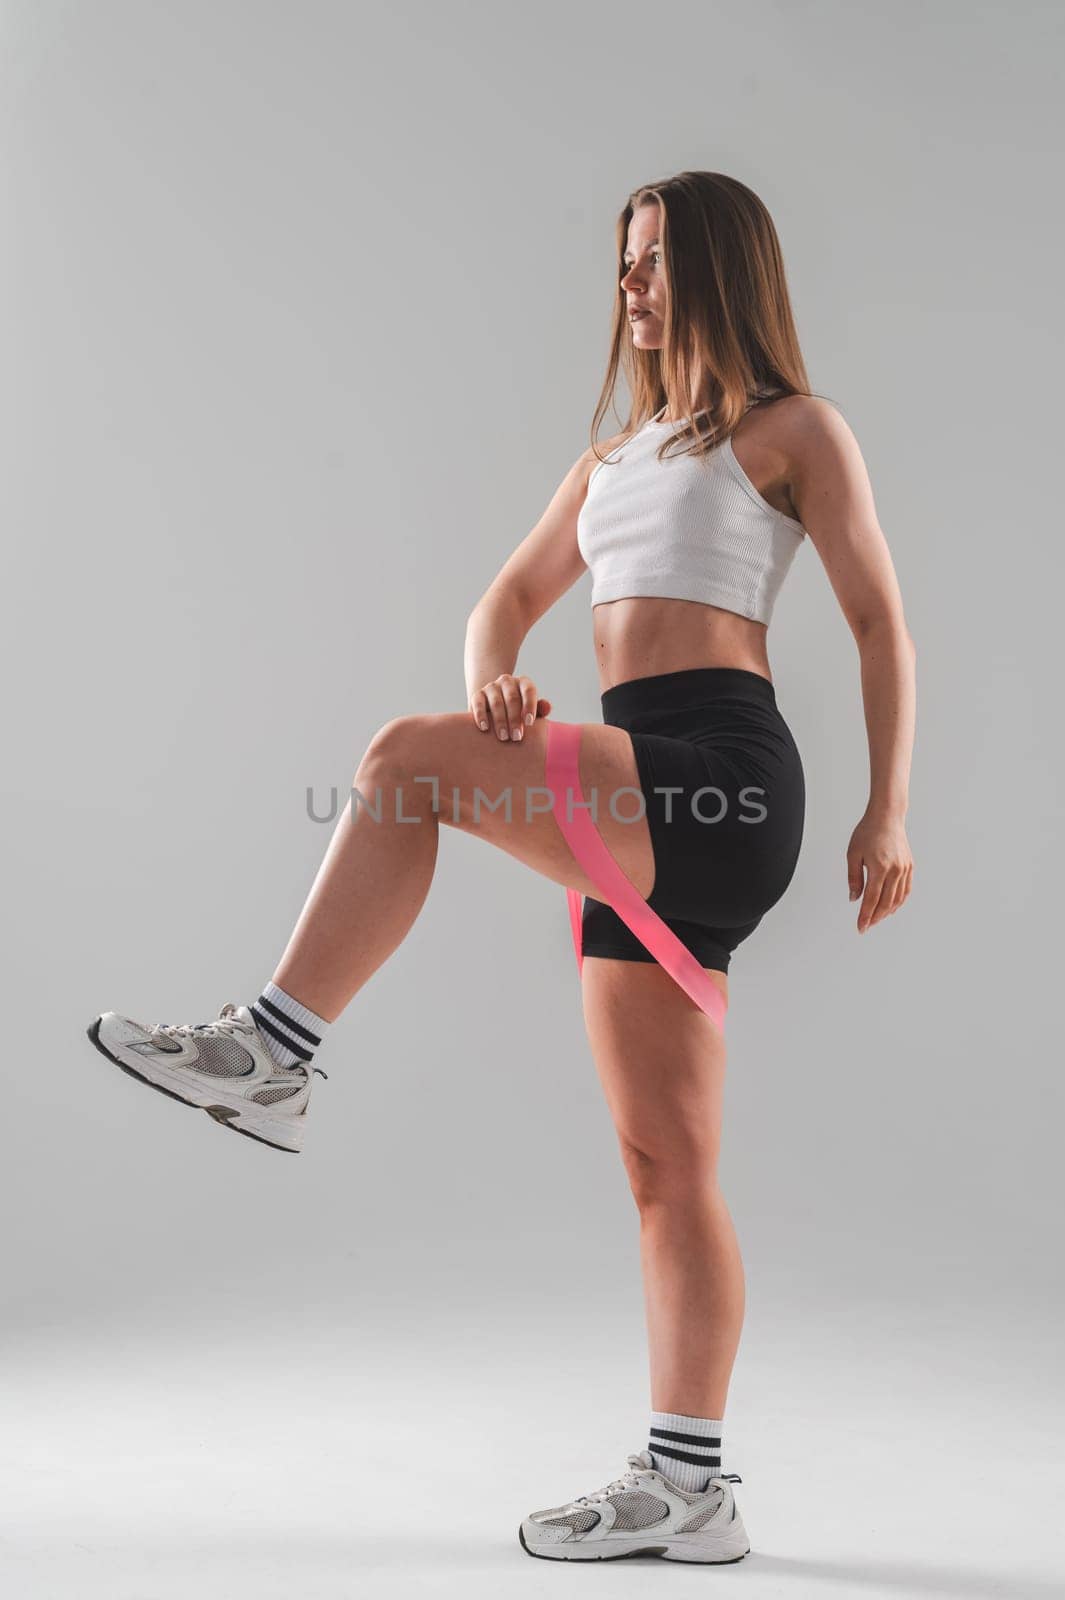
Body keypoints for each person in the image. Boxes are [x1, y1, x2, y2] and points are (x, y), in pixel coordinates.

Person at [87, 170, 916, 1564]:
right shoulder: (606, 464)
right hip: (624, 805)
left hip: (715, 777)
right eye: (623, 262)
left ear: (721, 269)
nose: (630, 286)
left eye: (653, 259)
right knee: (666, 1165)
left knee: (400, 762)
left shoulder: (793, 430)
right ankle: (691, 1486)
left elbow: (878, 622)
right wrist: (497, 691)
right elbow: (502, 605)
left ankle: (273, 1049)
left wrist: (886, 812)